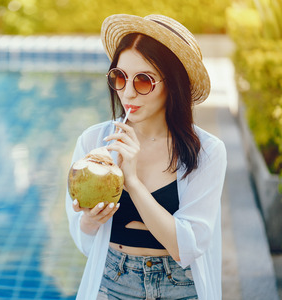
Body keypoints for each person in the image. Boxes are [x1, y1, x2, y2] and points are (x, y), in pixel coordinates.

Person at [66, 14, 227, 300]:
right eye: (119, 77)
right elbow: (83, 238)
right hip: (112, 281)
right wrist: (90, 220)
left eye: (143, 81)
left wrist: (132, 181)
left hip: (180, 286)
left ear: (173, 84)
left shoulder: (207, 151)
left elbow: (186, 247)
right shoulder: (94, 142)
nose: (127, 92)